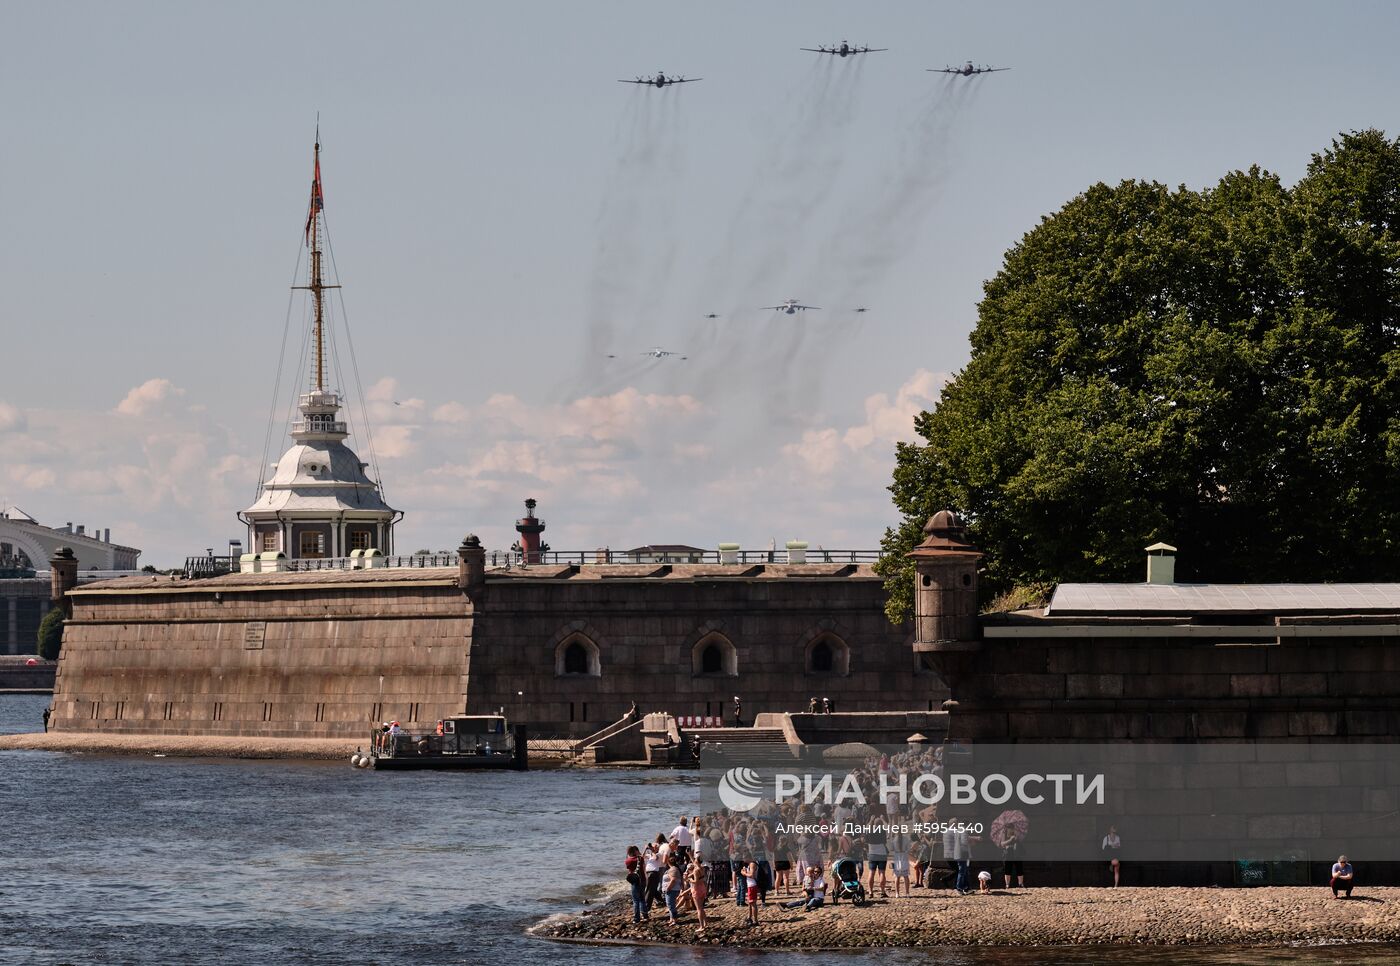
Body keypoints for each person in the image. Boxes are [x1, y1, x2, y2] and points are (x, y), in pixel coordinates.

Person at [625, 845, 647, 922]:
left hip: (635, 881)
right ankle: (645, 915)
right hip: (643, 880)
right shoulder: (640, 858)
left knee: (636, 900)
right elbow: (642, 863)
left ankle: (637, 918)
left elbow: (628, 868)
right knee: (642, 899)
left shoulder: (628, 861)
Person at [687, 859, 710, 932]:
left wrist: (690, 880)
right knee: (701, 907)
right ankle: (705, 923)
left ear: (696, 862)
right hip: (703, 888)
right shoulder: (702, 868)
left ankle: (701, 926)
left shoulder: (696, 870)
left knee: (699, 909)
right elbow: (701, 878)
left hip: (696, 889)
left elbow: (696, 881)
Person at [662, 855, 684, 924]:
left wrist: (668, 888)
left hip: (672, 890)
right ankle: (671, 919)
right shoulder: (674, 869)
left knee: (671, 905)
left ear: (668, 862)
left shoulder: (673, 869)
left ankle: (675, 919)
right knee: (670, 905)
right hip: (673, 889)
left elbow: (673, 880)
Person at [742, 858, 761, 925]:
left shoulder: (752, 864)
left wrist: (744, 873)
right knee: (750, 903)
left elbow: (752, 875)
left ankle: (755, 920)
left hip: (752, 885)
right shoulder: (749, 864)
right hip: (750, 885)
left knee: (753, 903)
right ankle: (749, 917)